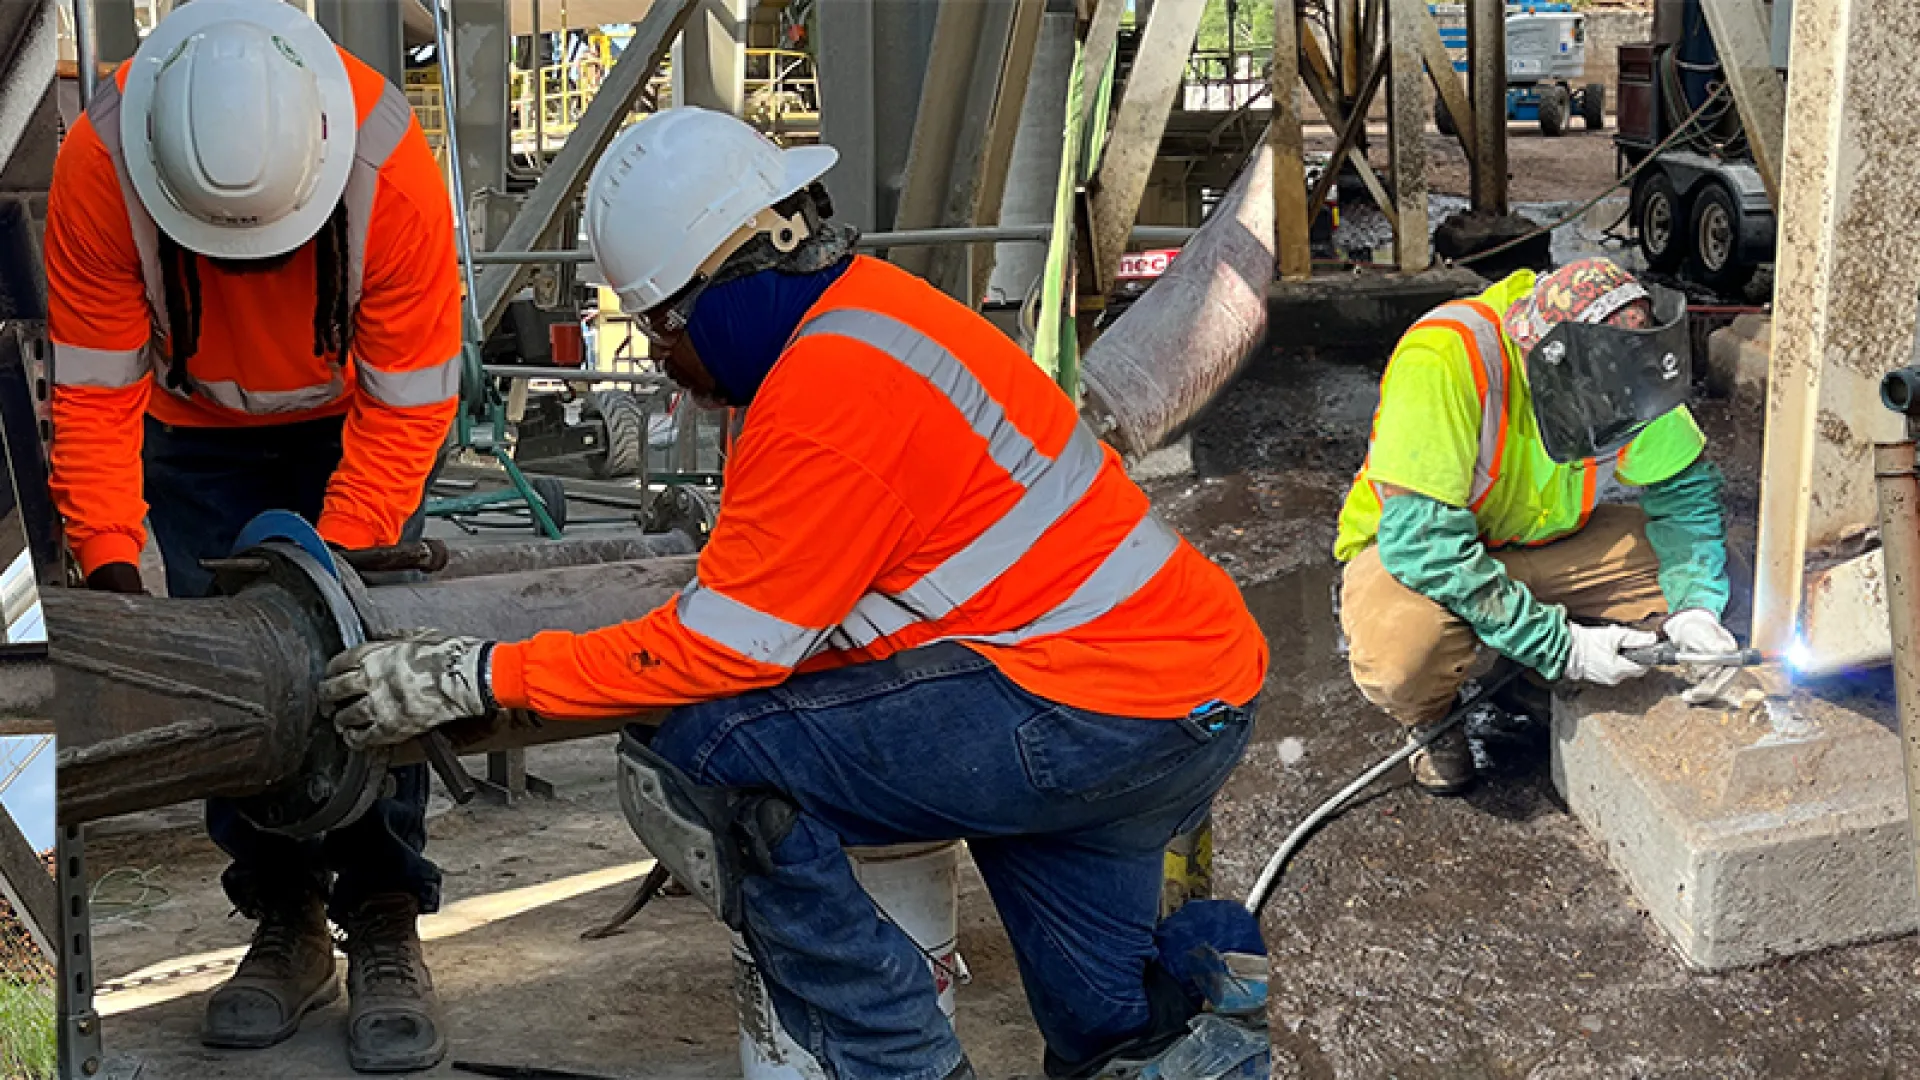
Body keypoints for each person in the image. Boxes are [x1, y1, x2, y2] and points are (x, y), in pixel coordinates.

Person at [322, 107, 1270, 1080]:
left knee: (711, 756)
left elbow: (723, 654)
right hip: (1176, 698)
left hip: (1079, 708)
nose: (658, 358)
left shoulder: (827, 387)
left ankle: (898, 1060)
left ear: (720, 296)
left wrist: (482, 673)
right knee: (1107, 1035)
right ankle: (1196, 1037)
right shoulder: (880, 313)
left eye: (659, 325)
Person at [45, 1, 460, 1071]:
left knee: (368, 679)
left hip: (356, 427)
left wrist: (330, 578)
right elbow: (94, 393)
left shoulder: (387, 165)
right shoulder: (100, 158)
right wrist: (113, 567)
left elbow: (411, 398)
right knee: (228, 690)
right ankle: (282, 919)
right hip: (193, 439)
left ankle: (381, 914)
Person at [1333, 257, 1736, 794]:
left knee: (1724, 572)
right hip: (1419, 556)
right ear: (1542, 362)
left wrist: (1695, 608)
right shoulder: (1447, 357)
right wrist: (1561, 646)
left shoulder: (1623, 370)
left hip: (1548, 544)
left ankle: (1522, 674)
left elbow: (1685, 492)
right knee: (1404, 653)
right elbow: (1424, 542)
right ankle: (1434, 717)